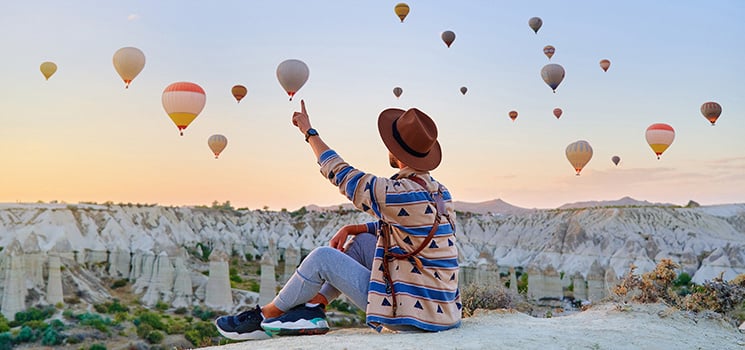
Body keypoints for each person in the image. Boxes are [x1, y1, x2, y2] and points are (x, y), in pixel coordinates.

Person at [215, 100, 460, 340]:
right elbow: (414, 228)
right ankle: (314, 308)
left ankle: (263, 317)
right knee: (363, 240)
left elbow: (343, 175)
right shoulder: (439, 191)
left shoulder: (399, 193)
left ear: (395, 151)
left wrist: (309, 132)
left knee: (323, 257)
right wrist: (355, 227)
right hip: (443, 312)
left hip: (414, 318)